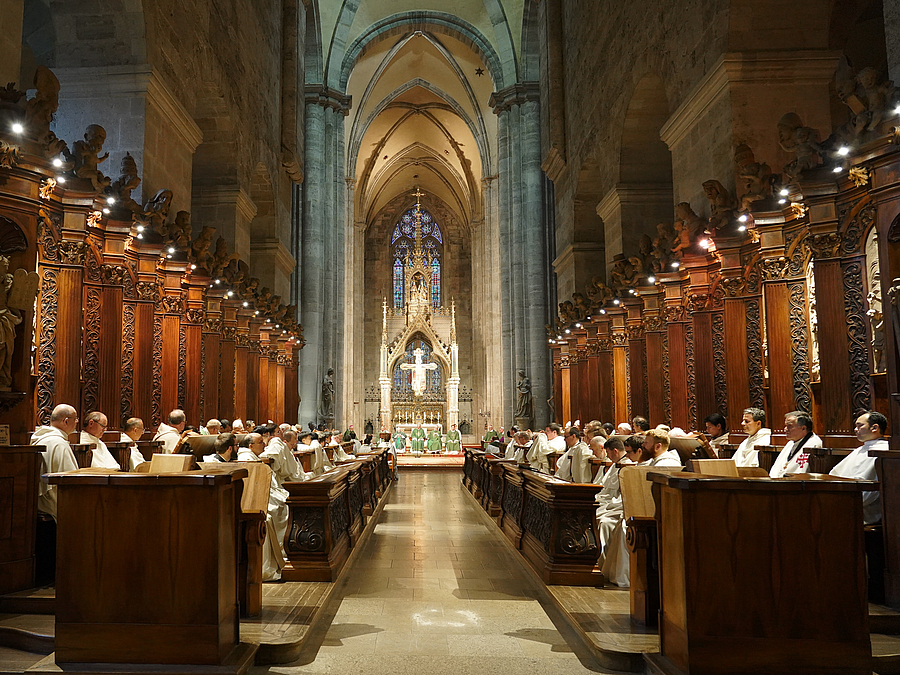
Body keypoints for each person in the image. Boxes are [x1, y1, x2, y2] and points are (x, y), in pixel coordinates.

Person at [830, 411, 889, 524]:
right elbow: (834, 473)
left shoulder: (884, 451)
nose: (855, 430)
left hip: (864, 512)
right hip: (845, 502)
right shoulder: (860, 449)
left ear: (874, 427)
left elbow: (872, 490)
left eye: (859, 425)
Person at [31, 404, 79, 521]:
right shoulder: (59, 444)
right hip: (52, 508)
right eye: (76, 419)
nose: (77, 422)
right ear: (66, 421)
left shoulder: (40, 438)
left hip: (37, 505)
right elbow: (70, 481)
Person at [596, 437, 634, 587]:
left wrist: (606, 503)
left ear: (615, 451)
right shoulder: (615, 464)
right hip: (610, 502)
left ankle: (602, 564)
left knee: (604, 522)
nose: (608, 456)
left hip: (619, 505)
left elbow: (622, 495)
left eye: (609, 453)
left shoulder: (628, 465)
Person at [769, 411, 822, 478]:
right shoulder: (790, 443)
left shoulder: (814, 444)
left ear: (803, 428)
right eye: (786, 426)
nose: (785, 429)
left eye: (790, 426)